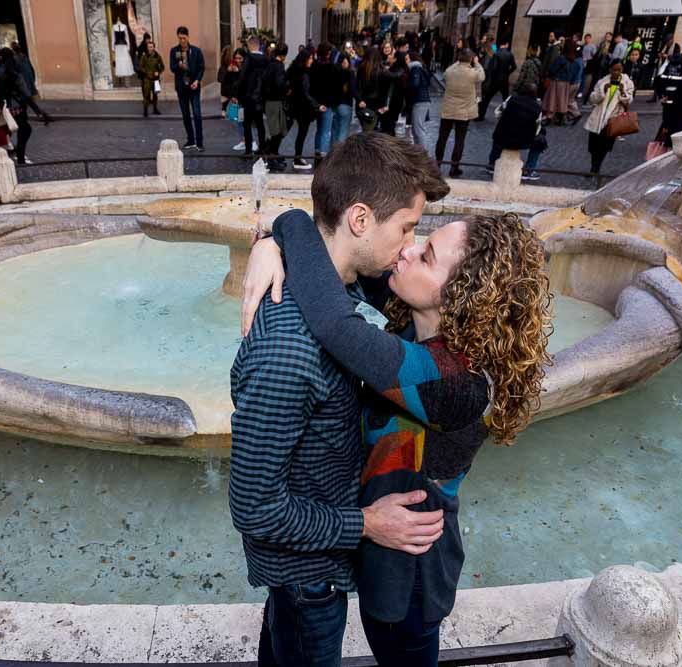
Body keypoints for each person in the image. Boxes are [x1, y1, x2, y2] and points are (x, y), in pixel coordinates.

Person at [241, 168, 551, 667]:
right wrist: (267, 245)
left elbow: (331, 321)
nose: (406, 251)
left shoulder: (452, 384)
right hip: (374, 540)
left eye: (425, 255)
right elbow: (338, 263)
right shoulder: (415, 318)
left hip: (411, 571)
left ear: (464, 296)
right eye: (415, 237)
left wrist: (288, 223)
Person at [230, 132, 453, 667]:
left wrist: (272, 234)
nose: (408, 245)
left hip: (317, 565)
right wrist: (367, 524)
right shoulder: (289, 352)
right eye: (406, 227)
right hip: (309, 579)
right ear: (359, 219)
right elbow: (253, 506)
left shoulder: (347, 285)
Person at [437, 48, 483, 177]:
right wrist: (477, 62)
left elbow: (446, 73)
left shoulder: (450, 71)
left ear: (458, 59)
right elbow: (482, 75)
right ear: (471, 59)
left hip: (448, 110)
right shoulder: (473, 73)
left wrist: (458, 62)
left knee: (442, 138)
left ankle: (437, 164)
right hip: (464, 113)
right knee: (459, 140)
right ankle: (454, 167)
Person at [584, 59, 634, 175]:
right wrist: (603, 91)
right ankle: (594, 165)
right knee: (593, 147)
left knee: (604, 146)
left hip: (613, 119)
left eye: (619, 70)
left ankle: (595, 168)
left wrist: (622, 92)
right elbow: (592, 99)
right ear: (610, 70)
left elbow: (629, 100)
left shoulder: (627, 82)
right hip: (598, 118)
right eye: (614, 70)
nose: (617, 72)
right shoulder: (602, 81)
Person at [488, 83, 545, 180]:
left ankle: (492, 164)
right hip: (523, 141)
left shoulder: (511, 99)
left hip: (503, 136)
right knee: (541, 141)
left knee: (499, 132)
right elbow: (537, 127)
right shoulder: (538, 107)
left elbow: (497, 113)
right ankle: (529, 170)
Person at [169, 26, 205, 151]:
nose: (182, 41)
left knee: (197, 114)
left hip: (194, 87)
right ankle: (190, 140)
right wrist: (178, 66)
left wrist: (197, 80)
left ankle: (199, 142)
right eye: (180, 38)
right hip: (181, 88)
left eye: (184, 38)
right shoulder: (174, 51)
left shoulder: (196, 51)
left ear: (188, 37)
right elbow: (172, 68)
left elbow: (201, 67)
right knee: (185, 115)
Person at [0, 47, 34, 164]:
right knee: (25, 129)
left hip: (4, 106)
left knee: (11, 130)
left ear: (0, 58)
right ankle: (20, 156)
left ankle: (14, 153)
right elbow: (26, 93)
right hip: (17, 105)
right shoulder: (15, 73)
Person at [287, 49, 320, 170]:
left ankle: (269, 153)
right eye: (310, 58)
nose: (312, 60)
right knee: (301, 133)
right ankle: (297, 158)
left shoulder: (293, 70)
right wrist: (317, 105)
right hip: (303, 108)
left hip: (294, 106)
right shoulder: (304, 74)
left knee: (284, 132)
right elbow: (305, 93)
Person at [237, 35, 268, 157]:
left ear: (250, 45)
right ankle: (262, 147)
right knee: (260, 124)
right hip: (260, 97)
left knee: (247, 124)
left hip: (248, 96)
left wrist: (237, 93)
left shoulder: (249, 58)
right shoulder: (265, 59)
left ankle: (248, 150)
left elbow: (242, 77)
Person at [310, 43, 341, 159]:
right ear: (328, 54)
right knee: (326, 130)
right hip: (328, 103)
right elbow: (336, 87)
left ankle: (317, 150)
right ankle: (323, 153)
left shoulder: (314, 66)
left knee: (319, 129)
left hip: (317, 102)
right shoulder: (332, 68)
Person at [11, 42, 52, 124]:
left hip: (22, 84)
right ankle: (41, 114)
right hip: (28, 83)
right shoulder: (24, 57)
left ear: (13, 50)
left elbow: (16, 72)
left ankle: (34, 115)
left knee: (24, 102)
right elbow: (31, 69)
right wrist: (32, 81)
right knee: (29, 101)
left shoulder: (15, 59)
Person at [263, 43, 289, 172]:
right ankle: (271, 157)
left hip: (269, 101)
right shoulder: (278, 66)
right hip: (275, 102)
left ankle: (273, 154)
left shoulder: (270, 64)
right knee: (276, 132)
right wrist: (287, 88)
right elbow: (280, 84)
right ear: (284, 55)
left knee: (277, 131)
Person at [477, 39, 516, 121]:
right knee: (505, 100)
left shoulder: (496, 54)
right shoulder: (510, 54)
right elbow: (514, 67)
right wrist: (507, 73)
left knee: (487, 99)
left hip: (495, 80)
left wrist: (492, 77)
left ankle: (481, 115)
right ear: (507, 44)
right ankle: (506, 118)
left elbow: (492, 68)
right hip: (504, 80)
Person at [406, 50, 434, 155]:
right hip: (422, 101)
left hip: (420, 101)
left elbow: (414, 84)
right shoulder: (419, 68)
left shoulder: (415, 68)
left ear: (412, 59)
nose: (406, 61)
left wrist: (405, 85)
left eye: (407, 59)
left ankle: (423, 155)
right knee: (416, 129)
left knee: (418, 130)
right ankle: (419, 153)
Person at [542, 45, 577, 125]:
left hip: (557, 81)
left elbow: (552, 69)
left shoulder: (561, 58)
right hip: (566, 83)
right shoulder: (573, 59)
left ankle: (549, 118)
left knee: (552, 100)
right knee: (561, 101)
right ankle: (560, 119)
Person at [332, 48, 358, 144]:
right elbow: (353, 89)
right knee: (343, 131)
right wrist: (359, 100)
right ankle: (339, 155)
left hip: (335, 105)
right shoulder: (349, 73)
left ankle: (332, 153)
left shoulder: (334, 72)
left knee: (334, 131)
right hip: (346, 105)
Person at [138, 39, 165, 117]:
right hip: (147, 79)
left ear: (154, 47)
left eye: (152, 47)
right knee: (146, 95)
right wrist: (146, 72)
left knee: (155, 95)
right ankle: (145, 110)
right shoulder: (144, 56)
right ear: (147, 48)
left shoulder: (157, 56)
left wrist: (158, 72)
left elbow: (162, 67)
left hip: (156, 80)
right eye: (149, 47)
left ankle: (155, 109)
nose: (150, 48)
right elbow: (140, 66)